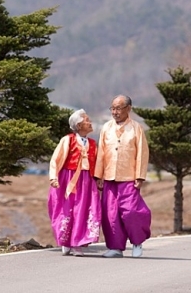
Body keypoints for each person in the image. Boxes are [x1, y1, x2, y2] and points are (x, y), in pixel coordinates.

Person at [94, 95, 151, 258]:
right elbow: (101, 153)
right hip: (109, 177)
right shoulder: (106, 128)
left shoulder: (136, 128)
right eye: (112, 108)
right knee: (110, 214)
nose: (115, 112)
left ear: (128, 109)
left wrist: (139, 176)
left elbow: (142, 153)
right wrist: (99, 175)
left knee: (132, 212)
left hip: (129, 177)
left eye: (118, 108)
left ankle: (137, 242)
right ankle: (115, 247)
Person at [48, 109, 101, 257]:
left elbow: (96, 163)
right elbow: (56, 159)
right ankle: (66, 241)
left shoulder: (92, 143)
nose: (90, 122)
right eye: (86, 120)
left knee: (84, 210)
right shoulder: (68, 140)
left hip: (86, 181)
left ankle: (78, 243)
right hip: (68, 179)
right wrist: (54, 177)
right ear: (78, 125)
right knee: (66, 209)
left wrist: (99, 179)